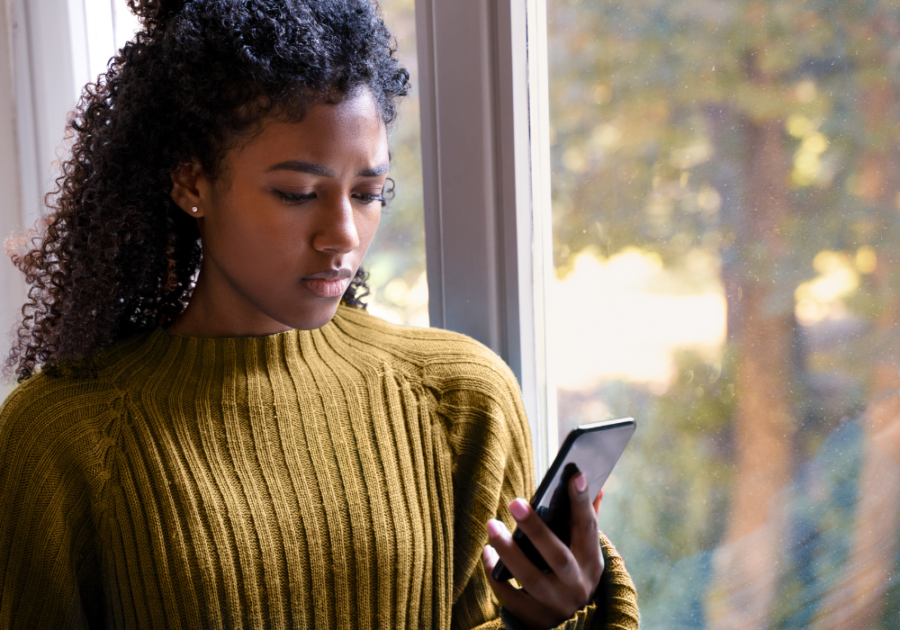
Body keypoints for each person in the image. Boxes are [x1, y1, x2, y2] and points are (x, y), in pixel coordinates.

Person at [0, 0, 639, 628]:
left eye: (367, 194)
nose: (343, 235)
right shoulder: (64, 437)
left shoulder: (460, 399)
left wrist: (557, 617)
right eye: (298, 193)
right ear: (191, 182)